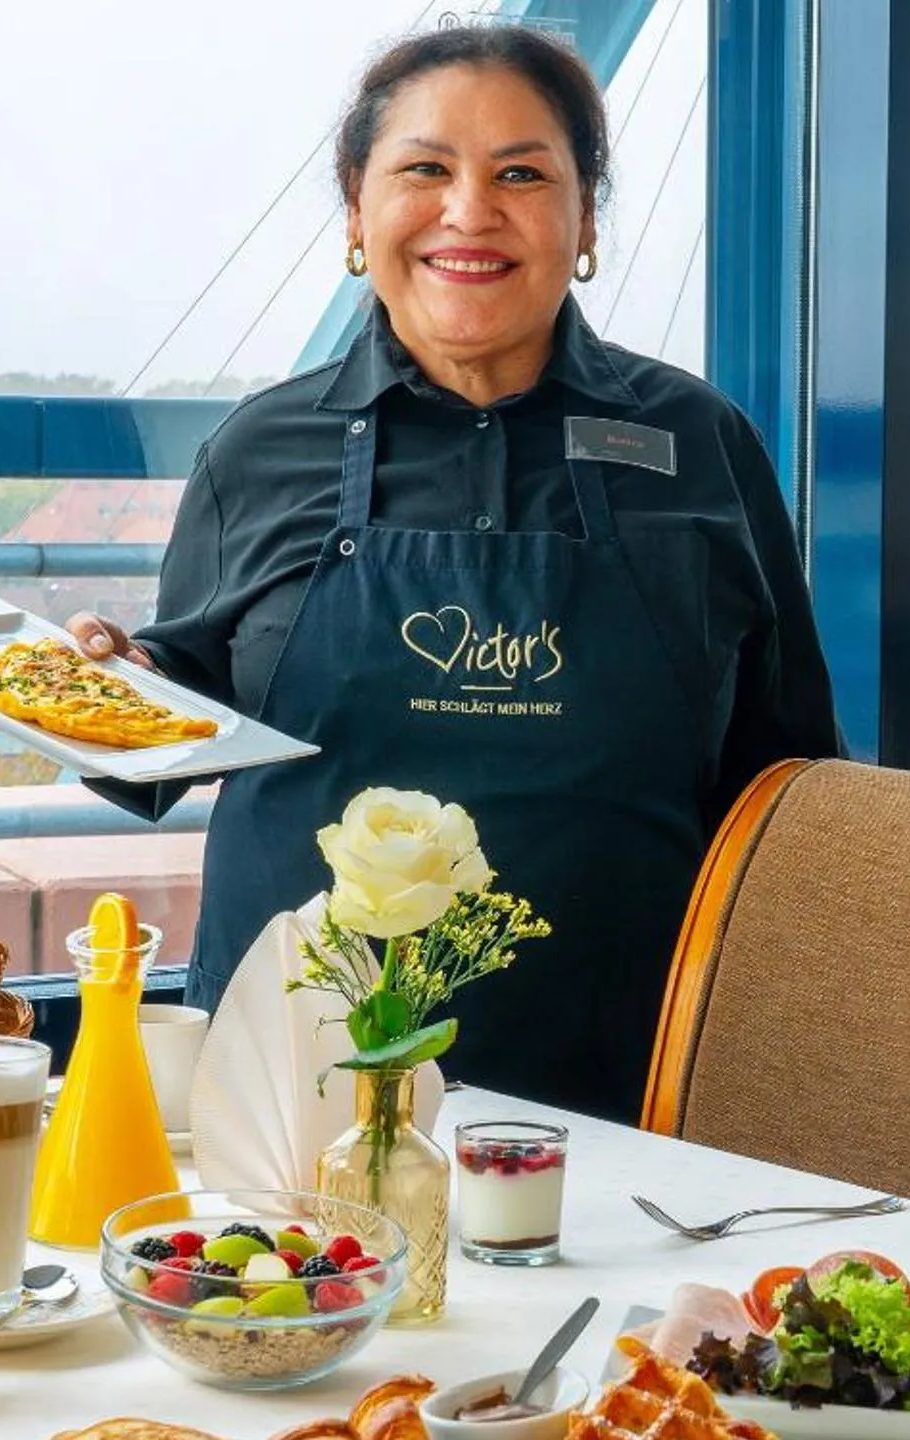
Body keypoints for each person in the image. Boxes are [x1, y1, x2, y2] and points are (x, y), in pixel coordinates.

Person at [71, 24, 838, 1123]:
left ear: (584, 220)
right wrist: (112, 681)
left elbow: (792, 775)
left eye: (522, 173)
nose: (470, 212)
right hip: (296, 1080)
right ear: (356, 209)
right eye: (425, 169)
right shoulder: (258, 450)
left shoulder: (698, 441)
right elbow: (189, 688)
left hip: (636, 1080)